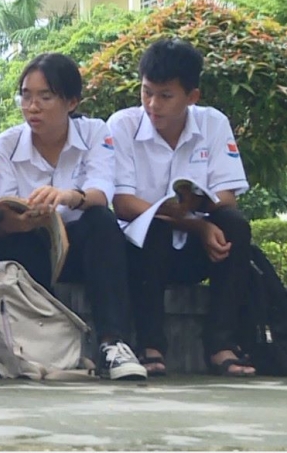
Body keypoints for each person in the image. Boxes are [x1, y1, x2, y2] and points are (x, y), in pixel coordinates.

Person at [0, 52, 147, 381]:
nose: (32, 107)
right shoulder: (5, 144)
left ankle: (112, 343)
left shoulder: (95, 132)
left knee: (102, 221)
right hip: (32, 244)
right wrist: (26, 220)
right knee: (14, 246)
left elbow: (101, 191)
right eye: (26, 96)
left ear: (71, 102)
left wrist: (68, 197)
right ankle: (42, 345)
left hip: (80, 245)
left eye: (45, 97)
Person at [108, 38, 256, 377]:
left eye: (165, 96)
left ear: (192, 97)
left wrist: (200, 210)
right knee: (155, 226)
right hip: (142, 252)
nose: (152, 105)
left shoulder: (213, 124)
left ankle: (221, 344)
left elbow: (227, 196)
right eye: (146, 92)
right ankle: (151, 345)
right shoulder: (122, 126)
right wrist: (195, 223)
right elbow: (123, 203)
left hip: (198, 249)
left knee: (234, 225)